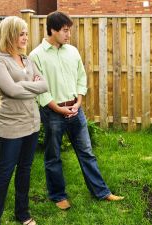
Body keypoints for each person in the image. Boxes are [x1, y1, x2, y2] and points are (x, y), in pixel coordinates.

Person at [29, 11, 124, 210]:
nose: (68, 35)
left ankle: (102, 192)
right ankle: (58, 196)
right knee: (53, 156)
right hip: (53, 113)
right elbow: (39, 89)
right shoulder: (36, 56)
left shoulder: (72, 51)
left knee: (87, 153)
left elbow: (81, 77)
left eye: (69, 31)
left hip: (76, 109)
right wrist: (58, 109)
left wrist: (78, 101)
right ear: (52, 30)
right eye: (65, 30)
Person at [0, 16, 48, 225]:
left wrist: (23, 87)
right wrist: (31, 85)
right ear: (10, 35)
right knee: (4, 172)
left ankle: (22, 213)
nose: (25, 38)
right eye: (21, 33)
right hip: (11, 126)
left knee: (25, 169)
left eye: (26, 33)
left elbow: (44, 85)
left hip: (32, 123)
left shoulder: (27, 59)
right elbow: (10, 90)